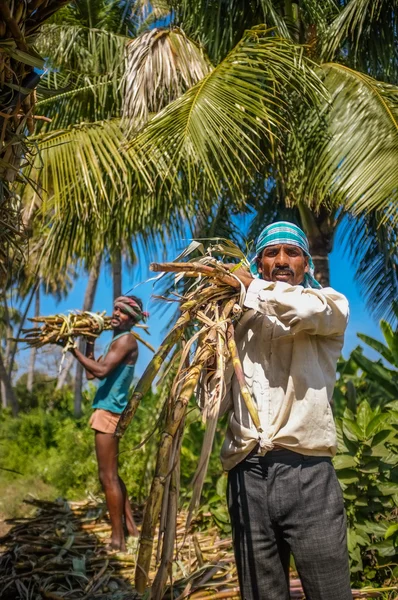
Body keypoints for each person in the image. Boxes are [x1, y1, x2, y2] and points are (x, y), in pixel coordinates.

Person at [221, 222, 352, 600]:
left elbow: (304, 308)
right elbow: (214, 400)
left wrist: (250, 287)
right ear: (259, 262)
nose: (281, 260)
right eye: (271, 253)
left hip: (307, 475)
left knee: (330, 592)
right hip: (247, 477)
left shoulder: (327, 306)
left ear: (306, 264)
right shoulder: (236, 322)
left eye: (292, 253)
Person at [69, 295, 148, 551]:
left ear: (132, 319)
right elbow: (94, 372)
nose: (116, 314)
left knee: (107, 477)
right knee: (113, 474)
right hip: (109, 411)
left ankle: (118, 540)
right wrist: (89, 342)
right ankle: (130, 528)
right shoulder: (116, 341)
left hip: (109, 412)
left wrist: (71, 349)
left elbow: (101, 372)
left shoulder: (126, 340)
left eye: (122, 311)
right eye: (115, 308)